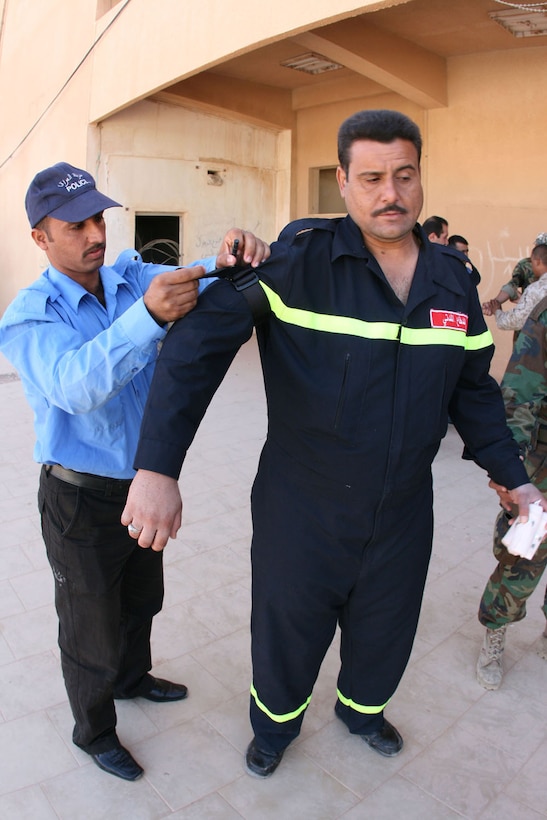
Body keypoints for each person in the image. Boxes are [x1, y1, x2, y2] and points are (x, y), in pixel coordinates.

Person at [121, 109, 545, 778]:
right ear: (342, 183)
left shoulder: (450, 280)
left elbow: (471, 389)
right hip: (303, 503)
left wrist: (509, 474)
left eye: (403, 176)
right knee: (287, 629)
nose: (390, 194)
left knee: (386, 626)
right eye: (371, 177)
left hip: (403, 507)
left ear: (418, 179)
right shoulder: (293, 264)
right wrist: (157, 467)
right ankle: (273, 730)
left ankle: (360, 712)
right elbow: (194, 350)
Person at [0, 161, 269, 782]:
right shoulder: (29, 314)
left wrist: (225, 254)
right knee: (89, 623)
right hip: (79, 499)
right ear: (40, 237)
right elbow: (73, 386)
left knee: (142, 599)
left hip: (141, 488)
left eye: (98, 217)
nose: (95, 233)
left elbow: (187, 277)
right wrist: (146, 318)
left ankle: (131, 678)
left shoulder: (126, 276)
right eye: (76, 225)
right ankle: (93, 731)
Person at [476, 294, 547, 690]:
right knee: (525, 552)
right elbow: (521, 391)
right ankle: (495, 634)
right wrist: (512, 472)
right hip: (543, 459)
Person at [482, 231, 547, 317]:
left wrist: (523, 302)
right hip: (531, 322)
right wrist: (495, 303)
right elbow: (512, 285)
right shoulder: (526, 265)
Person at [490, 243, 547, 333]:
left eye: (532, 262)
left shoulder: (535, 289)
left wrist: (497, 311)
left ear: (537, 261)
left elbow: (516, 320)